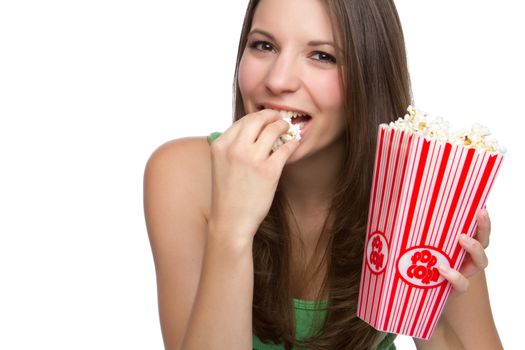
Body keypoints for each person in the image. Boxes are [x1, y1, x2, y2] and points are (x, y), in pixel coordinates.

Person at [143, 0, 503, 349]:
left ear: (370, 75)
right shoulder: (183, 175)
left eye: (322, 56)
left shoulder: (426, 187)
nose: (278, 80)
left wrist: (426, 302)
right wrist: (232, 229)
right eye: (264, 45)